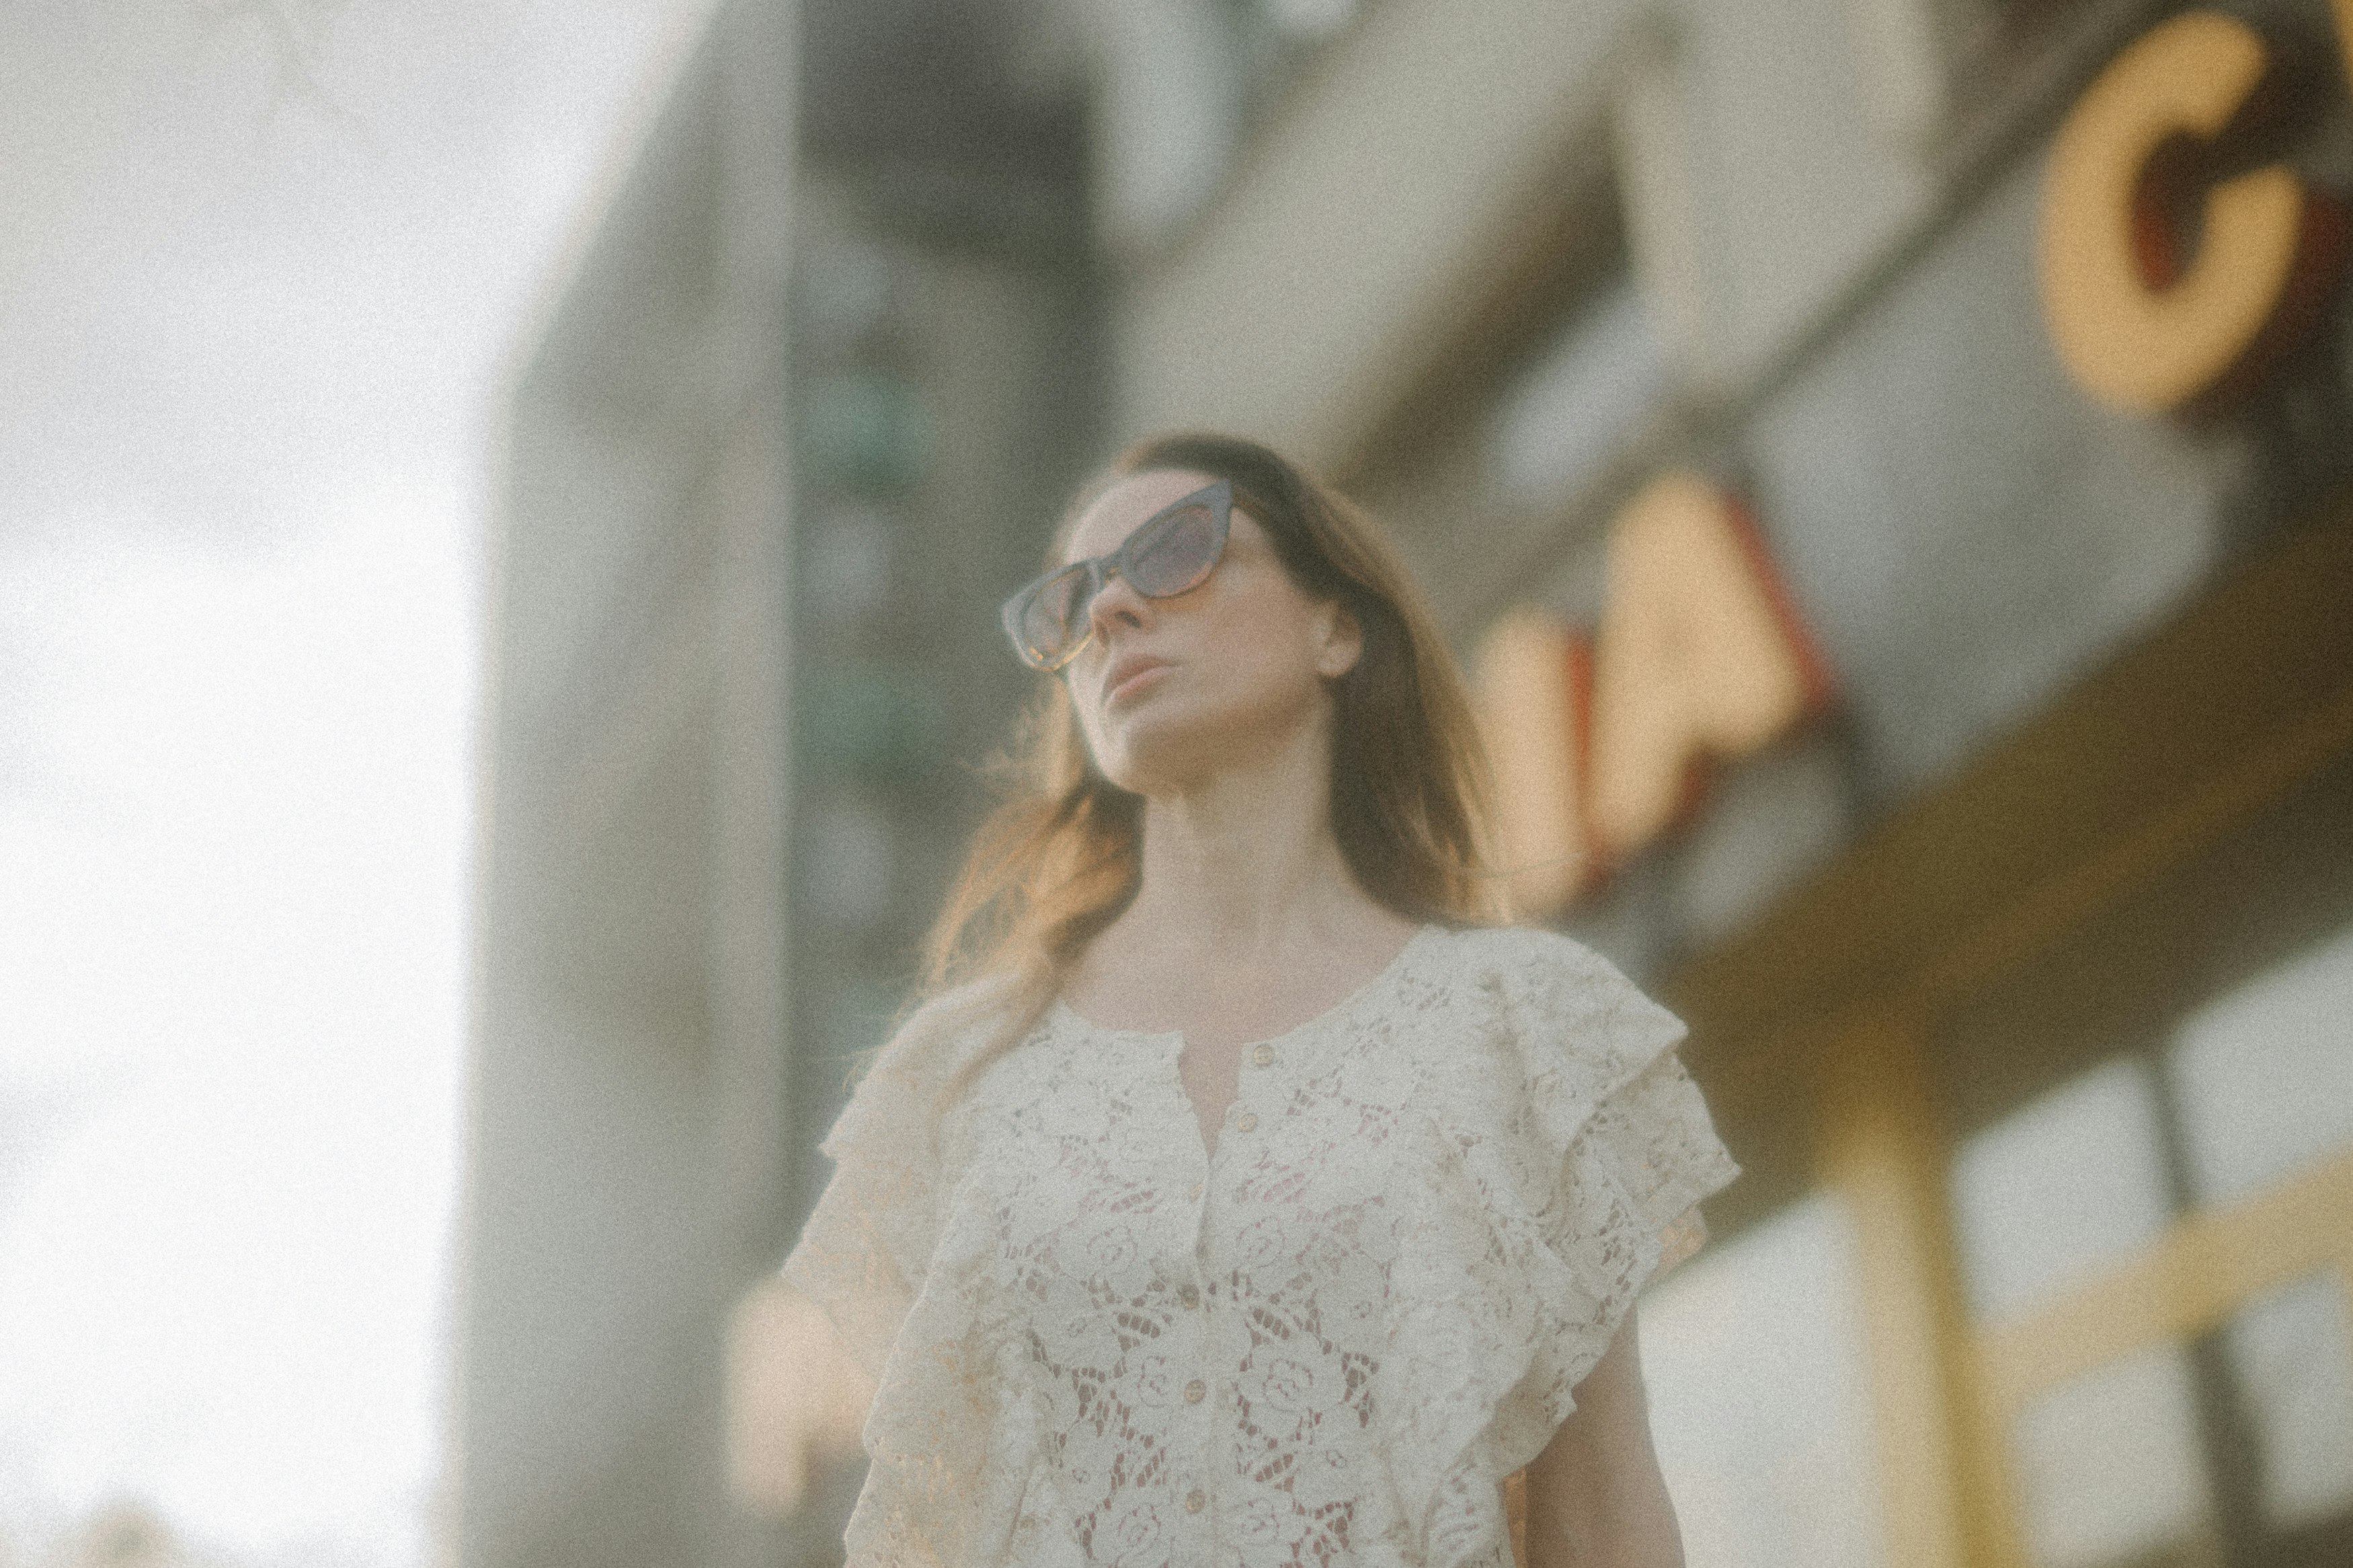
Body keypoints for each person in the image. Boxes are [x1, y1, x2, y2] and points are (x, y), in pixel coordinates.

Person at [782, 432, 1740, 1568]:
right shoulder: (958, 1079)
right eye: (1071, 599)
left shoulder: (1523, 1026)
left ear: (1337, 624)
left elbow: (1602, 1518)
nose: (1112, 613)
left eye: (1178, 551)